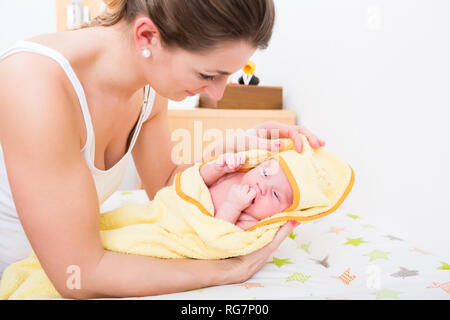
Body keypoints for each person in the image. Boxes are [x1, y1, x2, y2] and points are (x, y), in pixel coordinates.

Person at [0, 0, 325, 299]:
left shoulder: (149, 90)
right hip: (15, 275)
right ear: (147, 37)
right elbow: (79, 273)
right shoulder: (34, 82)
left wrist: (228, 151)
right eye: (208, 74)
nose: (217, 93)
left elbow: (166, 183)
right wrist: (226, 270)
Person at [201, 152, 293, 230]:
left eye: (275, 194)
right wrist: (217, 169)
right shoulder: (238, 173)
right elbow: (200, 180)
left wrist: (233, 206)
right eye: (265, 173)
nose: (262, 186)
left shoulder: (251, 224)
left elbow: (217, 235)